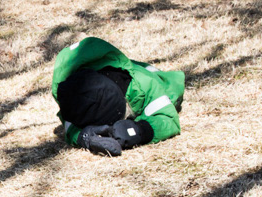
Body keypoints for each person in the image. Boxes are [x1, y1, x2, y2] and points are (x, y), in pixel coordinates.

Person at [52, 37, 186, 157]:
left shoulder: (144, 84)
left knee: (171, 90)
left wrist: (139, 131)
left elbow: (170, 120)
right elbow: (69, 124)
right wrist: (84, 137)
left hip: (159, 79)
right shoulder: (65, 90)